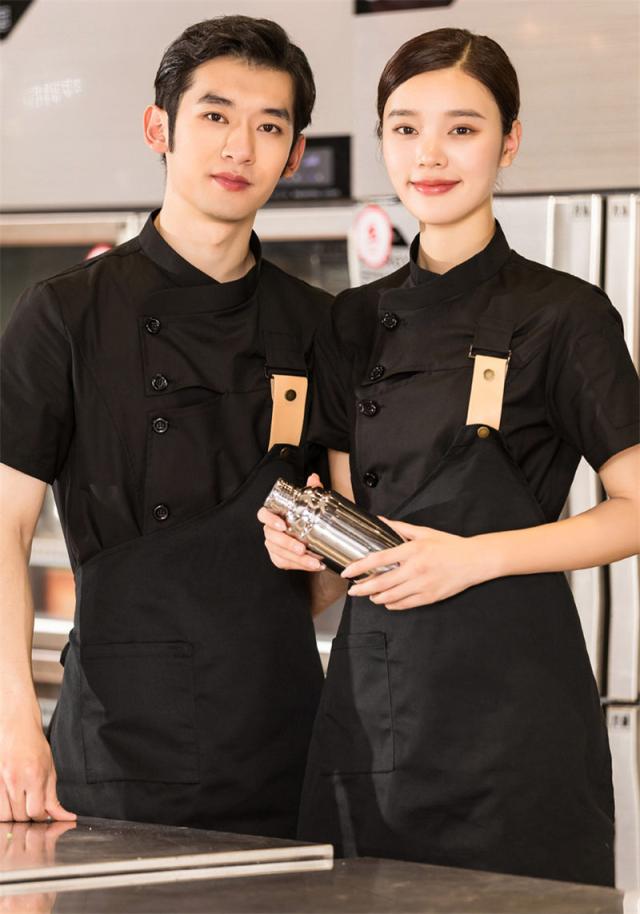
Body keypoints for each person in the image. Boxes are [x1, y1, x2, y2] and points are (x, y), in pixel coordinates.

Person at [258, 27, 640, 885]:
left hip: (513, 726)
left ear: (509, 141)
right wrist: (307, 544)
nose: (429, 154)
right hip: (373, 714)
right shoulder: (352, 321)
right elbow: (352, 532)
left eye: (461, 129)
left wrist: (476, 557)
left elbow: (636, 508)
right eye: (405, 128)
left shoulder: (563, 314)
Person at [0, 15, 330, 838]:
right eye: (215, 116)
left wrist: (324, 561)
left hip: (284, 741)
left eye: (269, 127)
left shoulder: (321, 325)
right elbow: (4, 526)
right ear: (160, 128)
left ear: (294, 154)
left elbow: (335, 562)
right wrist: (13, 724)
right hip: (117, 743)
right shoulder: (66, 313)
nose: (239, 148)